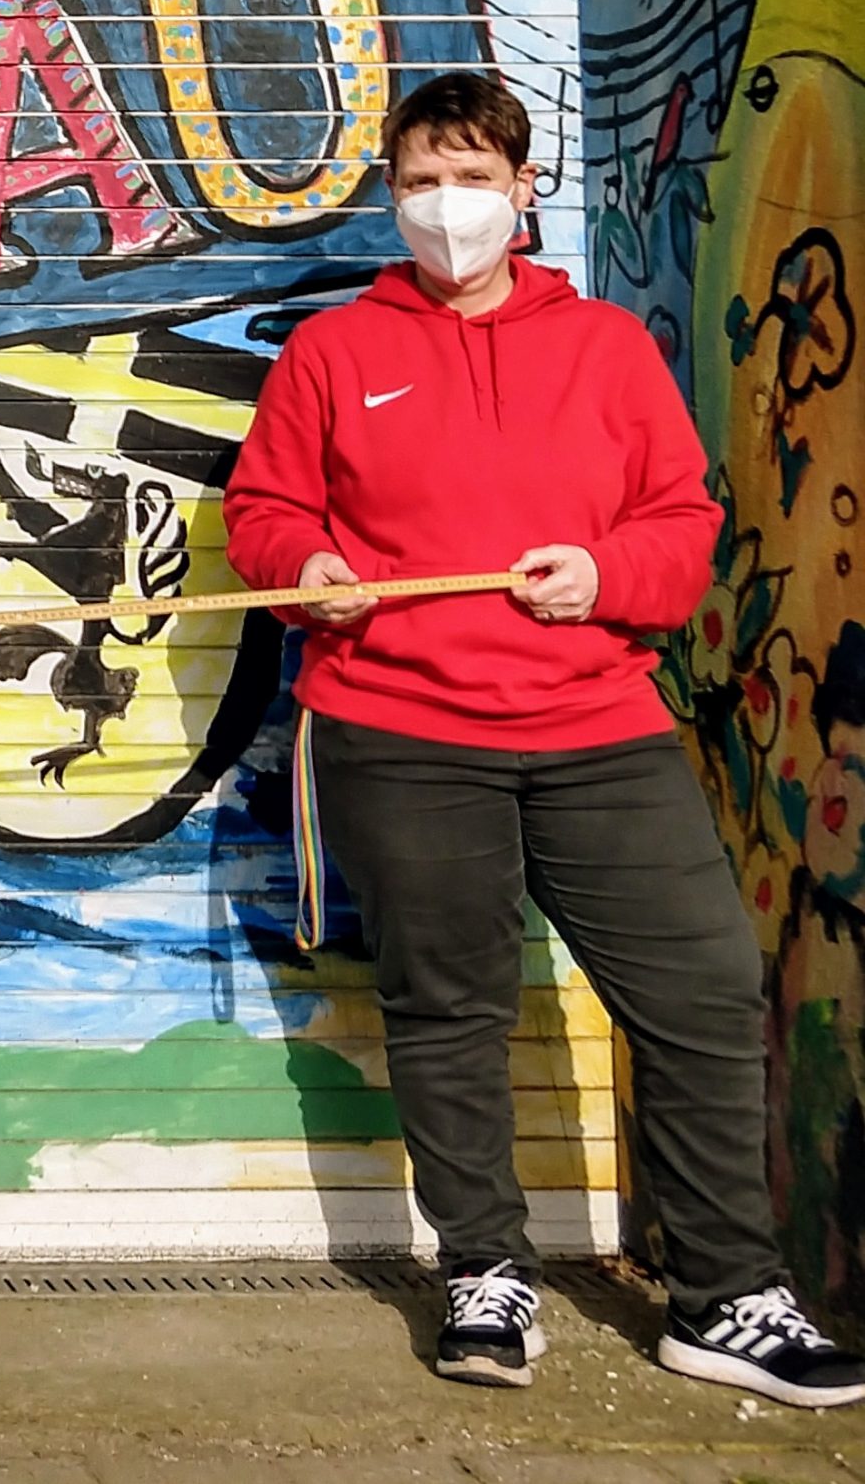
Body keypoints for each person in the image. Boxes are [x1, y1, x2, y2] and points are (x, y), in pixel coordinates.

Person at [222, 71, 865, 1408]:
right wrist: (307, 567)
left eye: (472, 177)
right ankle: (484, 1271)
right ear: (392, 196)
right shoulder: (334, 353)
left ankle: (726, 1296)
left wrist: (606, 576)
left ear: (523, 190)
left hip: (599, 726)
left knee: (700, 996)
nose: (445, 204)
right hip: (399, 730)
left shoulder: (607, 349)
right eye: (420, 180)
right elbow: (264, 511)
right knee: (449, 1008)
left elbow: (681, 522)